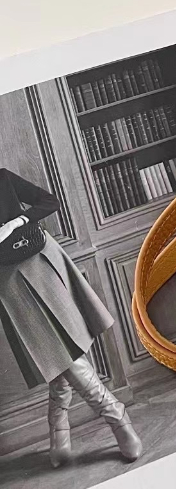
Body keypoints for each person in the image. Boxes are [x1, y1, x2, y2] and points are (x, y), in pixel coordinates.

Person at [0, 167, 142, 467]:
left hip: (41, 261)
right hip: (7, 280)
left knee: (60, 349)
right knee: (54, 351)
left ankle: (69, 429)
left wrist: (16, 222)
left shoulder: (2, 178)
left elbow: (49, 201)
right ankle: (113, 417)